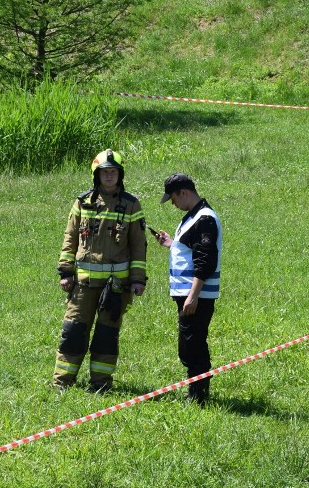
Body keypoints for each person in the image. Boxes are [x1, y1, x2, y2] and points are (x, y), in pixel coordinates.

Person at [52, 149, 148, 393]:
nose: (109, 176)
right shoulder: (83, 202)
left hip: (115, 287)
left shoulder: (131, 204)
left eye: (113, 172)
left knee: (106, 336)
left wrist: (138, 280)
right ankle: (62, 382)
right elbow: (70, 238)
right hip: (82, 285)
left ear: (120, 174)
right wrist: (66, 272)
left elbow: (138, 245)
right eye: (105, 172)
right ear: (97, 175)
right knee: (73, 331)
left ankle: (100, 384)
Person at [154, 173, 221, 406]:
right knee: (189, 343)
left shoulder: (205, 218)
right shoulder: (192, 217)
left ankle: (199, 397)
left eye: (173, 199)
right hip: (188, 294)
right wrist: (172, 244)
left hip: (196, 295)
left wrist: (192, 296)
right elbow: (193, 250)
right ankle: (196, 392)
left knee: (192, 344)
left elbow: (205, 260)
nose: (173, 204)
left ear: (183, 193)